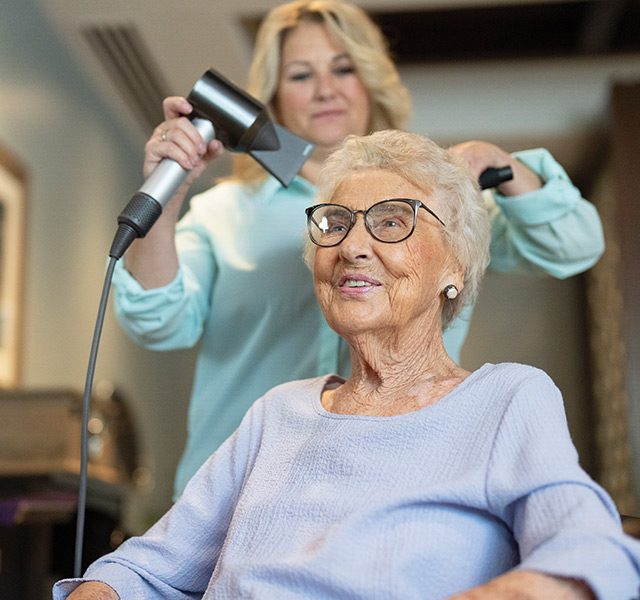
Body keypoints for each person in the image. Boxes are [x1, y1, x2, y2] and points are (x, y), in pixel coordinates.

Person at [56, 130, 637, 600]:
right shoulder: (277, 413)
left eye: (391, 221)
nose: (353, 245)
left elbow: (589, 549)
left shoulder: (507, 398)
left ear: (454, 266)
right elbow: (141, 570)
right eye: (335, 223)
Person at [112, 0, 605, 499]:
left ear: (371, 81)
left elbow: (574, 245)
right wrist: (168, 194)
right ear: (275, 95)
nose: (326, 89)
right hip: (241, 490)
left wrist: (495, 161)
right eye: (301, 75)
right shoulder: (224, 213)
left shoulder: (439, 210)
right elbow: (157, 320)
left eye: (343, 68)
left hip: (397, 479)